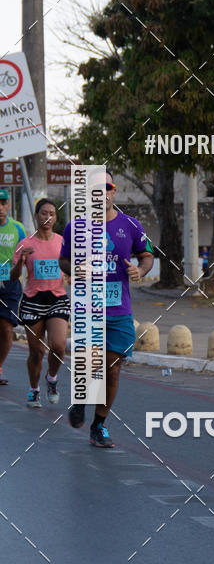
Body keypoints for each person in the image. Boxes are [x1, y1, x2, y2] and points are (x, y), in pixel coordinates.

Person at [59, 170, 154, 447]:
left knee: (112, 369)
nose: (104, 193)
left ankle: (98, 426)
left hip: (119, 310)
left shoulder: (131, 225)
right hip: (88, 309)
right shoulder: (74, 227)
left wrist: (141, 270)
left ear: (114, 191)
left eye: (108, 187)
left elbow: (146, 255)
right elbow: (63, 261)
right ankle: (80, 399)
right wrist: (76, 269)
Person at [10, 198, 69, 407]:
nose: (48, 217)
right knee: (36, 353)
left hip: (57, 298)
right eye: (44, 213)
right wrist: (22, 261)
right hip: (33, 299)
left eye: (52, 213)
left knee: (59, 346)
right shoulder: (25, 244)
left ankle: (51, 378)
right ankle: (34, 390)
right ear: (36, 216)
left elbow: (70, 267)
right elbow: (13, 276)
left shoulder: (62, 241)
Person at [0, 189, 26, 386]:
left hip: (10, 284)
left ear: (8, 205)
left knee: (6, 329)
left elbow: (27, 258)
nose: (0, 208)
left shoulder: (18, 229)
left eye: (3, 203)